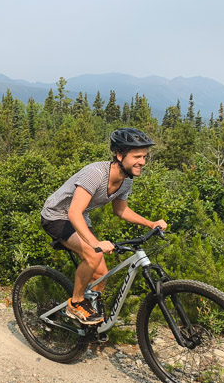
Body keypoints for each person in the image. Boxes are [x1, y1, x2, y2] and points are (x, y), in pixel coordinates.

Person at [40, 127, 167, 324]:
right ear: (119, 155)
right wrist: (95, 243)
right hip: (57, 215)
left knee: (101, 274)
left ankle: (89, 322)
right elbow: (73, 212)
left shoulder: (126, 180)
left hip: (80, 217)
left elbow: (121, 210)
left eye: (144, 157)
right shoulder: (96, 173)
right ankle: (75, 304)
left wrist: (150, 223)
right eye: (137, 156)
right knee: (93, 254)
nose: (142, 162)